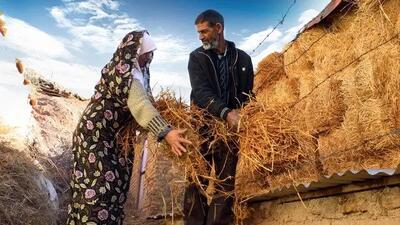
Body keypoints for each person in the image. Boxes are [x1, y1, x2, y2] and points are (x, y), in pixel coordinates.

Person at [67, 30, 192, 225]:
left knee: (115, 187)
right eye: (146, 54)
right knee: (99, 189)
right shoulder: (125, 72)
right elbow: (140, 105)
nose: (149, 58)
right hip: (96, 136)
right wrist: (166, 132)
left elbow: (146, 102)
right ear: (134, 51)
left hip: (113, 138)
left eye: (151, 54)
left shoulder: (139, 73)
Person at [184, 9, 254, 225]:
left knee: (225, 185)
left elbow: (248, 95)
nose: (201, 37)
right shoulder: (197, 58)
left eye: (204, 31)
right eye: (198, 33)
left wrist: (244, 114)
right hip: (202, 129)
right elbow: (201, 92)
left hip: (230, 132)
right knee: (196, 182)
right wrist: (226, 113)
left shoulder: (243, 58)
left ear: (219, 28)